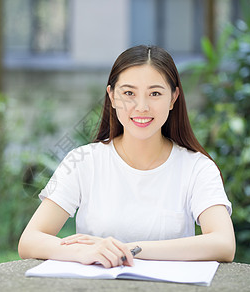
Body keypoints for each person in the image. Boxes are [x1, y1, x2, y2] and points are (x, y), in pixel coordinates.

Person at [18, 45, 235, 268]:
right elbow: (30, 240)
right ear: (112, 96)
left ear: (173, 98)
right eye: (129, 93)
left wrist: (129, 250)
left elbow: (224, 243)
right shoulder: (83, 162)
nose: (141, 107)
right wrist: (83, 252)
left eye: (155, 93)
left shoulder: (197, 168)